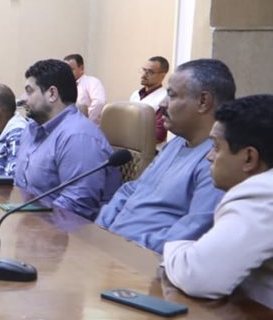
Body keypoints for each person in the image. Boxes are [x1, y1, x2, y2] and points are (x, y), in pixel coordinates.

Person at [96, 59, 234, 252]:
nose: (162, 104)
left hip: (142, 259)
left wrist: (125, 245)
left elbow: (189, 233)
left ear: (203, 101)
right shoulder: (175, 144)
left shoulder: (218, 161)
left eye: (172, 95)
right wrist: (101, 230)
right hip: (110, 247)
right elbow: (132, 189)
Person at [163, 94, 273, 309]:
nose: (209, 157)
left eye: (216, 146)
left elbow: (197, 276)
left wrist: (173, 248)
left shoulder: (261, 193)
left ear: (249, 158)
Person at [14, 58, 119, 219]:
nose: (23, 98)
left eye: (29, 91)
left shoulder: (79, 137)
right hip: (28, 220)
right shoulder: (31, 129)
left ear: (52, 94)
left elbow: (76, 206)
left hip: (65, 229)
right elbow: (21, 187)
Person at [131, 56, 170, 143]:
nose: (143, 75)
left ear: (162, 76)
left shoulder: (164, 98)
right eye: (144, 70)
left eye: (150, 72)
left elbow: (159, 135)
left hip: (150, 149)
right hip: (129, 146)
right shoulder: (135, 95)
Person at [64, 53, 106, 124]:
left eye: (71, 69)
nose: (67, 73)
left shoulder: (92, 82)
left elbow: (99, 103)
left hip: (86, 126)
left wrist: (86, 122)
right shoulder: (64, 85)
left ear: (81, 69)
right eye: (65, 70)